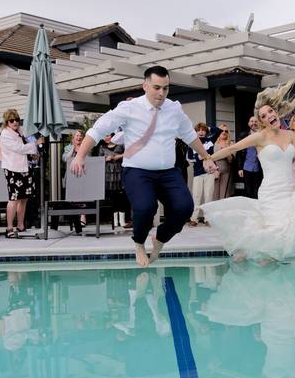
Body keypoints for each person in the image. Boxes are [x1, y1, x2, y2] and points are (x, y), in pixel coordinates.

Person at [70, 66, 217, 267]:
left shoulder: (174, 108)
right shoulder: (129, 108)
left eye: (165, 88)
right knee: (145, 208)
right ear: (145, 86)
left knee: (185, 208)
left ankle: (160, 239)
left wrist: (206, 157)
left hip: (168, 173)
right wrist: (79, 156)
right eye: (156, 87)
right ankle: (139, 243)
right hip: (138, 172)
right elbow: (97, 130)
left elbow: (189, 135)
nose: (161, 93)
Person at [201, 80, 295, 262]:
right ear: (261, 121)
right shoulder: (260, 137)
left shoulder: (291, 135)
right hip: (270, 191)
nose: (268, 115)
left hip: (290, 190)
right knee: (273, 231)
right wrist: (208, 158)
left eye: (270, 111)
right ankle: (250, 259)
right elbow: (232, 148)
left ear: (276, 112)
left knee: (286, 232)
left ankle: (268, 270)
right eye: (263, 115)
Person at [0, 109, 43, 238]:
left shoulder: (20, 132)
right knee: (14, 198)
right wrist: (36, 144)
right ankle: (9, 228)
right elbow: (19, 149)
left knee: (24, 198)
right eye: (12, 120)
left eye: (17, 120)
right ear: (7, 122)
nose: (15, 122)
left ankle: (21, 225)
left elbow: (26, 146)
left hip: (24, 168)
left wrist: (33, 152)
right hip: (13, 169)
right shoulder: (5, 134)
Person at [187, 122, 221, 226]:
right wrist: (199, 157)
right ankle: (194, 218)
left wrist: (208, 126)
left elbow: (218, 131)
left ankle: (208, 218)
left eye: (203, 130)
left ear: (206, 132)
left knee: (208, 196)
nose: (201, 132)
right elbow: (189, 158)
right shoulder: (192, 143)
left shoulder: (210, 141)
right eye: (199, 130)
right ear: (195, 132)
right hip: (197, 173)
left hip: (209, 172)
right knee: (196, 196)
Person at [100, 131, 130, 232]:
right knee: (112, 197)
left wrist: (118, 156)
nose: (106, 138)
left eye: (108, 135)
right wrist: (105, 159)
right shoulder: (102, 148)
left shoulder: (120, 145)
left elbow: (129, 153)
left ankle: (122, 220)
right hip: (108, 175)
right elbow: (98, 160)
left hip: (119, 173)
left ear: (112, 135)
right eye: (105, 136)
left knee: (121, 196)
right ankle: (114, 220)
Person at [237, 116, 263, 198]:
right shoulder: (243, 135)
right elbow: (239, 153)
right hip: (246, 167)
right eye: (252, 121)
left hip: (259, 168)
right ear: (249, 123)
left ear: (259, 123)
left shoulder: (262, 136)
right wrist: (240, 168)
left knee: (258, 191)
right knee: (248, 191)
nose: (254, 123)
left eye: (256, 121)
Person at [212, 124, 234, 200]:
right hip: (215, 172)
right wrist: (215, 170)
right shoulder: (214, 143)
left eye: (226, 131)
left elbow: (231, 160)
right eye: (222, 130)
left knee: (224, 194)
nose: (224, 132)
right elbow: (210, 158)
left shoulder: (230, 144)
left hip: (226, 172)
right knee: (214, 194)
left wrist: (226, 151)